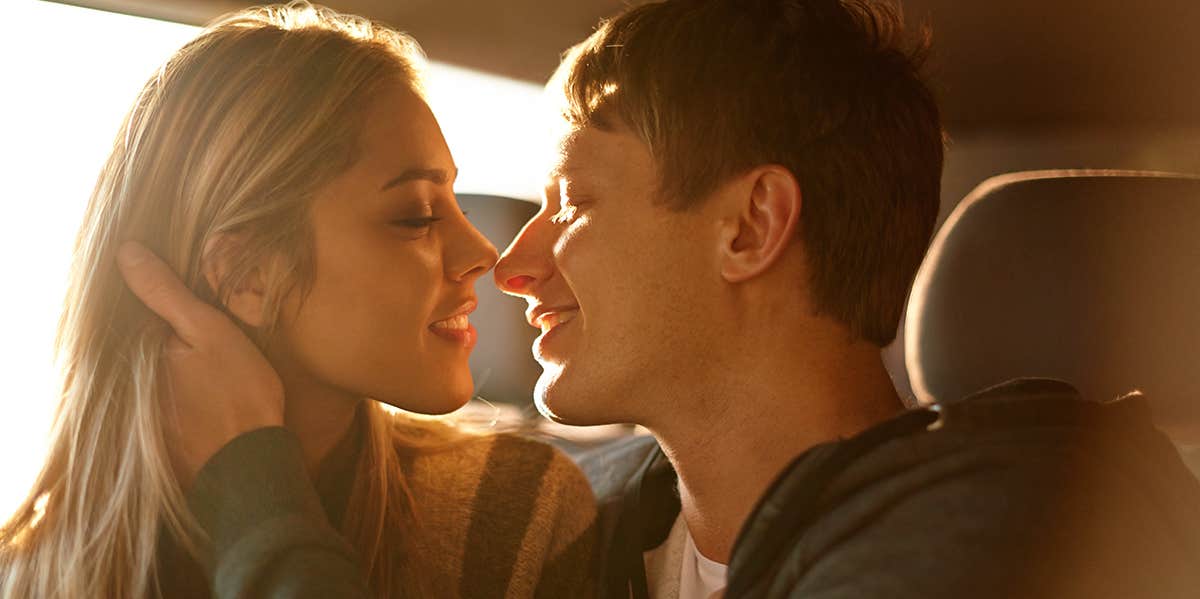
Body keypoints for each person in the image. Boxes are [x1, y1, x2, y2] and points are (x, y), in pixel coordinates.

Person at [100, 1, 1200, 598]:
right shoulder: (568, 525)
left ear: (749, 227)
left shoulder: (1023, 537)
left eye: (572, 202)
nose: (516, 263)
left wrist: (258, 498)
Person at [0, 4, 595, 598]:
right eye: (416, 216)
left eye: (456, 205)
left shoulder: (510, 511)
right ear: (247, 275)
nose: (484, 252)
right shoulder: (23, 575)